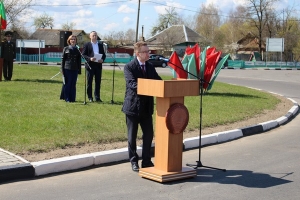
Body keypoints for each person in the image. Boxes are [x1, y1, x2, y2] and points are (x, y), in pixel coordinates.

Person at [122, 41, 162, 172]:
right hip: (133, 107)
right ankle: (134, 161)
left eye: (148, 51)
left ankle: (146, 160)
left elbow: (159, 81)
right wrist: (149, 87)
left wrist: (166, 86)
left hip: (146, 108)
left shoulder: (150, 67)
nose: (148, 53)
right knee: (132, 137)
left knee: (149, 135)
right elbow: (132, 85)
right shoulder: (129, 67)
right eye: (145, 51)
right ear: (138, 53)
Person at [82, 31, 106, 102]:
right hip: (90, 65)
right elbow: (83, 55)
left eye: (95, 35)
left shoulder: (100, 45)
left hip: (98, 65)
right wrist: (90, 58)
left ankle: (97, 97)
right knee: (89, 82)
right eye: (93, 35)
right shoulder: (87, 44)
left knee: (98, 82)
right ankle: (90, 97)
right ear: (90, 36)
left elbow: (104, 55)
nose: (95, 37)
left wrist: (102, 59)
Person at [60, 35, 82, 102]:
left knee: (73, 84)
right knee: (67, 84)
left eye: (74, 39)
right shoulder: (66, 48)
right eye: (72, 39)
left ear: (76, 41)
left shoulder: (78, 49)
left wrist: (79, 70)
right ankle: (67, 98)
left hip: (75, 69)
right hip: (67, 68)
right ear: (69, 41)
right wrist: (62, 69)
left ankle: (72, 98)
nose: (73, 40)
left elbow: (79, 60)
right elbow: (63, 59)